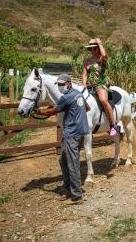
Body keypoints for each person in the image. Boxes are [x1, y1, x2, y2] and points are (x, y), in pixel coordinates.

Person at [36, 74, 90, 205]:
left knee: (72, 164)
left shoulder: (65, 98)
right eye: (58, 84)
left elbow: (52, 111)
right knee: (63, 161)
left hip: (72, 134)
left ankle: (77, 196)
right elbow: (87, 108)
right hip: (80, 132)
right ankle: (67, 189)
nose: (60, 86)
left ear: (69, 83)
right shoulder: (78, 93)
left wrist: (38, 112)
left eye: (62, 84)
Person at [82, 38, 120, 137]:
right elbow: (84, 74)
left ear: (98, 49)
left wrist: (99, 43)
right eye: (91, 49)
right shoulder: (87, 61)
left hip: (100, 84)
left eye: (95, 49)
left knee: (103, 100)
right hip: (89, 85)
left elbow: (104, 55)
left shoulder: (101, 59)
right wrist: (84, 85)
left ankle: (113, 125)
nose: (93, 51)